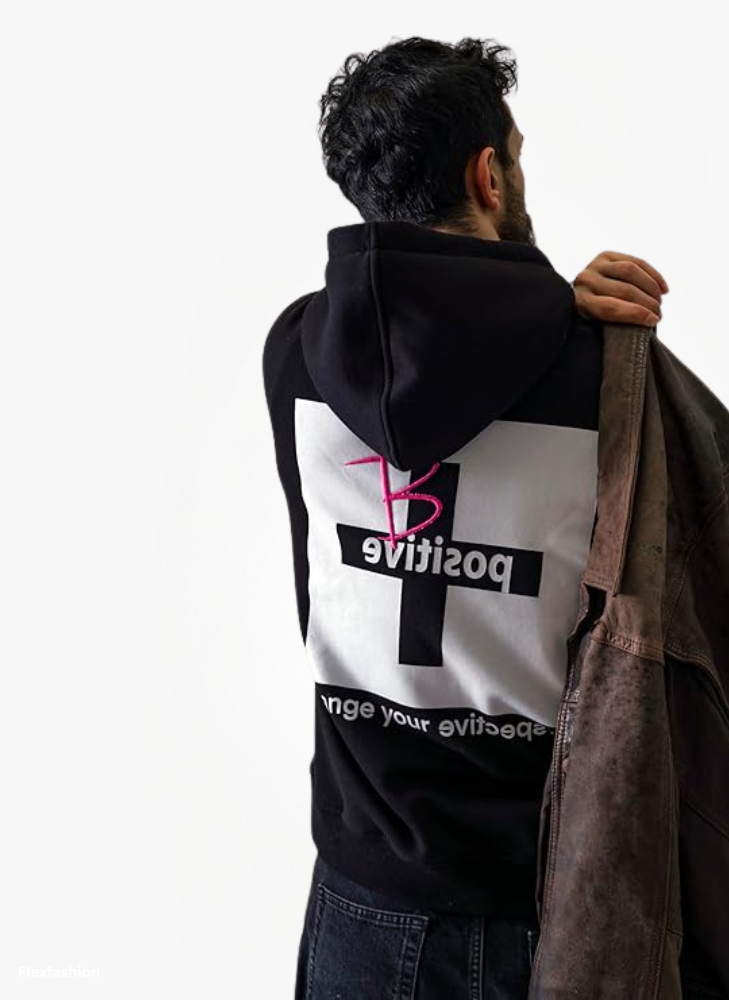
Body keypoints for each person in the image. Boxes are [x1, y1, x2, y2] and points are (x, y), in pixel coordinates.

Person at [262, 36, 670, 1000]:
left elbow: (430, 345)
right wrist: (563, 305)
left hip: (360, 895)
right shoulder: (603, 373)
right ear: (489, 176)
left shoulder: (294, 355)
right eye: (515, 158)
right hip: (553, 900)